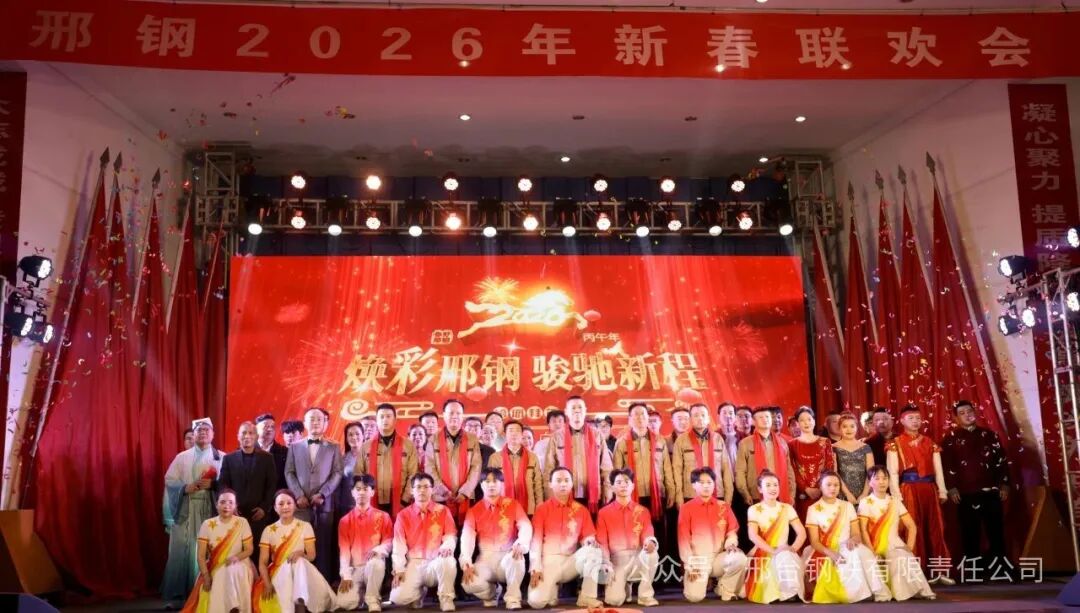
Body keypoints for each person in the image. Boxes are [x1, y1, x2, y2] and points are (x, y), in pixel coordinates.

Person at [941, 399, 1009, 579]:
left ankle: (999, 570)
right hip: (965, 493)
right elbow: (946, 465)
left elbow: (1001, 461)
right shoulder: (949, 439)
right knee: (970, 533)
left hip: (991, 491)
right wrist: (951, 488)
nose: (967, 415)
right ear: (956, 418)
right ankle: (973, 572)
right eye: (962, 413)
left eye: (969, 411)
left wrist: (1004, 484)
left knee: (996, 531)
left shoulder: (990, 435)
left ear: (975, 413)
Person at [886, 405, 952, 583]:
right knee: (912, 528)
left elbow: (938, 469)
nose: (915, 421)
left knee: (935, 528)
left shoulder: (929, 442)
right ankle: (915, 573)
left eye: (917, 418)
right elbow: (892, 472)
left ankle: (939, 571)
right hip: (909, 488)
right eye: (911, 418)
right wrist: (896, 495)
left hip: (929, 489)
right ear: (902, 421)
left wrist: (942, 490)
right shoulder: (895, 443)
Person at [804, 471, 890, 603]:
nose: (833, 488)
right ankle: (858, 594)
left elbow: (856, 534)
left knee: (864, 552)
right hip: (825, 549)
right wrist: (831, 553)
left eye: (836, 485)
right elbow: (814, 542)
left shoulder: (847, 506)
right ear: (820, 486)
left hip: (846, 545)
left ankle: (877, 591)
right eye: (828, 485)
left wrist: (853, 539)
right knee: (849, 557)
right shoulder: (813, 509)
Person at [162, 418, 223, 605]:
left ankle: (206, 595)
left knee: (208, 550)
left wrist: (214, 485)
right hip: (186, 508)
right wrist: (185, 487)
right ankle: (178, 596)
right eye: (199, 430)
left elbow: (229, 484)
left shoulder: (222, 457)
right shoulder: (182, 457)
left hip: (210, 509)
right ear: (193, 435)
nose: (202, 432)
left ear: (213, 434)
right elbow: (170, 480)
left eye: (206, 429)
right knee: (181, 550)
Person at [526, 467, 605, 609]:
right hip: (548, 562)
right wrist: (535, 566)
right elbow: (535, 541)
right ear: (550, 484)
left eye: (566, 480)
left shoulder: (581, 510)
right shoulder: (542, 509)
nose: (563, 484)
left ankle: (587, 597)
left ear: (572, 484)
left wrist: (589, 541)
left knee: (594, 551)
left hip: (570, 562)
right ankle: (551, 589)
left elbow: (588, 537)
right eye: (558, 480)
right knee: (536, 602)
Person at [858, 466, 935, 601]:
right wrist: (871, 550)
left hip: (893, 542)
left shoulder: (895, 501)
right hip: (872, 543)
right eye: (877, 478)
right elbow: (863, 529)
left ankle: (913, 591)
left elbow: (911, 526)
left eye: (885, 478)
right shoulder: (865, 502)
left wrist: (909, 546)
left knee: (902, 555)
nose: (882, 482)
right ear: (870, 482)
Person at [284, 408, 344, 581]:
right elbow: (289, 472)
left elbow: (337, 473)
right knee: (300, 545)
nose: (315, 422)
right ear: (305, 423)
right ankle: (301, 585)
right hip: (301, 505)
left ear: (325, 423)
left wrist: (323, 494)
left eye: (319, 419)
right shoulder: (295, 447)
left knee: (323, 547)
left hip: (324, 505)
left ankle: (323, 587)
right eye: (312, 419)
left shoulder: (333, 446)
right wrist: (298, 495)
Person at [253, 490, 336, 613]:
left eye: (289, 503)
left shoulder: (305, 526)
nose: (285, 507)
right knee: (292, 566)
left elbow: (312, 555)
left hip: (302, 570)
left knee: (299, 562)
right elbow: (262, 563)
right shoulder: (268, 530)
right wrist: (267, 584)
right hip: (278, 572)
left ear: (295, 506)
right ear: (275, 508)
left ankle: (300, 602)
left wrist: (300, 554)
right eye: (281, 504)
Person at [460, 469, 532, 609]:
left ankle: (513, 598)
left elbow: (525, 526)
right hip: (485, 559)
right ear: (481, 484)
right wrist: (466, 561)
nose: (491, 485)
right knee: (468, 583)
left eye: (495, 481)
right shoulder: (474, 511)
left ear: (502, 484)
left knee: (517, 557)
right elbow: (467, 538)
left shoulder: (513, 504)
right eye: (487, 481)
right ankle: (492, 593)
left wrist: (521, 543)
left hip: (507, 556)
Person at [676, 467, 748, 602]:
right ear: (693, 485)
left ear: (714, 484)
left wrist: (731, 544)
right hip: (699, 561)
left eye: (709, 482)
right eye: (701, 482)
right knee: (695, 597)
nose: (706, 486)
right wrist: (690, 565)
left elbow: (732, 531)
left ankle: (724, 588)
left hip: (719, 557)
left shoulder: (724, 506)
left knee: (740, 559)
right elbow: (683, 540)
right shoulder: (686, 508)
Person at [389, 473, 458, 612]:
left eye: (426, 487)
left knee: (448, 561)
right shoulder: (403, 515)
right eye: (418, 487)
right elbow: (398, 545)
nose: (422, 490)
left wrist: (447, 547)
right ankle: (418, 593)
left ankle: (446, 599)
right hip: (413, 563)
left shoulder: (443, 511)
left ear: (432, 489)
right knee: (398, 598)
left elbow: (451, 535)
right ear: (412, 490)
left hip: (436, 561)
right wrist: (399, 569)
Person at [180, 490, 255, 613]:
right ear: (216, 505)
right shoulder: (207, 524)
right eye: (223, 502)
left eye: (230, 502)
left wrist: (236, 558)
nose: (226, 506)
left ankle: (235, 608)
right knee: (221, 574)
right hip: (216, 564)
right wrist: (206, 576)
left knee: (233, 570)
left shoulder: (242, 522)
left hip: (240, 561)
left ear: (235, 505)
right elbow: (200, 556)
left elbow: (249, 549)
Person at [596, 469, 660, 607]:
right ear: (612, 487)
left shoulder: (642, 511)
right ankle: (625, 587)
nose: (623, 485)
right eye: (619, 482)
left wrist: (650, 542)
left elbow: (648, 533)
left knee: (652, 554)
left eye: (627, 482)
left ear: (633, 486)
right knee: (614, 601)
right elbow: (602, 542)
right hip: (616, 562)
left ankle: (645, 596)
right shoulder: (603, 513)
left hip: (638, 559)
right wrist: (606, 563)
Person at [741, 470, 806, 604]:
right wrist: (773, 551)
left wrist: (793, 548)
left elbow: (801, 532)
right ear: (760, 489)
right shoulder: (754, 509)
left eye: (775, 485)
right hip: (764, 551)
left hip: (784, 551)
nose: (773, 488)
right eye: (768, 485)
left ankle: (790, 593)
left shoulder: (787, 508)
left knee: (785, 557)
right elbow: (753, 535)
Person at [219, 421, 278, 564]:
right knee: (235, 552)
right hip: (235, 514)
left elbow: (271, 485)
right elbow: (223, 485)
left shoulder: (267, 458)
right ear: (238, 436)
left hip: (258, 515)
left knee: (257, 554)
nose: (247, 436)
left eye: (251, 433)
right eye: (243, 433)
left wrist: (264, 508)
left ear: (256, 436)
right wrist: (230, 507)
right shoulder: (229, 458)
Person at [544, 396, 613, 514]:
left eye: (580, 407)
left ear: (585, 410)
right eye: (573, 408)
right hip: (565, 493)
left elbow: (606, 467)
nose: (577, 410)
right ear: (566, 412)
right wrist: (550, 495)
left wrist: (608, 489)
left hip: (592, 495)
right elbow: (549, 469)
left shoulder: (597, 435)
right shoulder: (556, 437)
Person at [337, 474, 393, 612]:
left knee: (375, 563)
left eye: (366, 489)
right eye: (358, 489)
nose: (361, 492)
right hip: (355, 568)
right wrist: (346, 574)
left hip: (373, 566)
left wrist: (379, 549)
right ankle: (360, 595)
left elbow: (389, 541)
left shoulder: (383, 516)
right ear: (352, 492)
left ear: (372, 492)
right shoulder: (345, 521)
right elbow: (344, 550)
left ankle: (373, 600)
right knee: (345, 603)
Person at [613, 402, 674, 519]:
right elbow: (617, 472)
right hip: (632, 494)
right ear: (630, 419)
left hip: (657, 493)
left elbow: (667, 469)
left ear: (647, 417)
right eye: (636, 414)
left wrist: (671, 491)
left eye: (643, 414)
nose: (640, 417)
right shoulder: (621, 443)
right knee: (635, 527)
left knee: (657, 527)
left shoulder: (660, 441)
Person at [357, 403, 420, 517]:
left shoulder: (408, 445)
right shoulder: (366, 446)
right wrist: (365, 498)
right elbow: (359, 475)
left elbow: (413, 474)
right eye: (381, 417)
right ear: (377, 420)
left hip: (400, 502)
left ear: (395, 420)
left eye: (388, 416)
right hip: (372, 501)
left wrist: (404, 500)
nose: (385, 420)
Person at [429, 399, 482, 524]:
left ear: (462, 416)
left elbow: (476, 467)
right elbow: (429, 468)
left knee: (466, 530)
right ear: (444, 415)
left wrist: (465, 492)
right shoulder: (433, 439)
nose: (455, 416)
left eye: (458, 413)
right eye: (451, 413)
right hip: (440, 497)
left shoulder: (472, 439)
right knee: (441, 529)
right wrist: (443, 491)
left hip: (466, 497)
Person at [672, 402, 733, 505]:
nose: (700, 418)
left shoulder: (718, 438)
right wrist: (679, 497)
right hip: (691, 494)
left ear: (708, 418)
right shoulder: (681, 440)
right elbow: (677, 471)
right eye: (696, 415)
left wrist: (728, 495)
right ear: (691, 419)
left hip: (717, 492)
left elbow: (726, 468)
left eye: (703, 415)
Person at [734, 407, 796, 507]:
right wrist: (745, 494)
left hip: (781, 494)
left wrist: (792, 494)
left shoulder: (782, 443)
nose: (765, 419)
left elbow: (789, 470)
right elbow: (740, 471)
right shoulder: (745, 443)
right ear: (753, 421)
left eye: (767, 416)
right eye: (761, 417)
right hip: (756, 496)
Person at [486, 420, 544, 515]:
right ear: (505, 434)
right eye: (511, 430)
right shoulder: (495, 458)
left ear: (521, 435)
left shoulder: (532, 457)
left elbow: (538, 483)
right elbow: (489, 484)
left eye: (517, 431)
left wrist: (539, 504)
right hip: (501, 507)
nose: (514, 434)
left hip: (529, 508)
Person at [790, 407, 836, 520]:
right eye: (802, 420)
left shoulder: (825, 442)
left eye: (809, 419)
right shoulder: (792, 444)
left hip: (824, 491)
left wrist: (821, 487)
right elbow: (792, 469)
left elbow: (829, 465)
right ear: (797, 424)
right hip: (803, 495)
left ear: (814, 421)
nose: (806, 423)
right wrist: (805, 489)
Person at [833, 413, 873, 504]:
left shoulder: (866, 447)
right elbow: (834, 473)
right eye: (844, 426)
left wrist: (864, 494)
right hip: (842, 494)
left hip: (864, 494)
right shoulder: (833, 448)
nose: (849, 429)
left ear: (857, 427)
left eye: (852, 426)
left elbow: (871, 473)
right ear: (839, 429)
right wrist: (847, 494)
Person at [336, 422, 365, 516]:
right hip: (346, 505)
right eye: (350, 435)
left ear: (363, 435)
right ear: (346, 438)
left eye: (357, 434)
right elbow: (338, 485)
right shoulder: (342, 459)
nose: (354, 437)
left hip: (367, 505)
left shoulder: (372, 456)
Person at [464, 416, 495, 502]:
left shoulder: (490, 451)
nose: (473, 428)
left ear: (481, 431)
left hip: (481, 496)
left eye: (476, 426)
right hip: (459, 496)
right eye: (469, 425)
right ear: (463, 429)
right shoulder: (454, 449)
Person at [256, 413, 290, 490]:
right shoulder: (246, 451)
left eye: (272, 427)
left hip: (277, 495)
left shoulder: (285, 452)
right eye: (266, 426)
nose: (270, 429)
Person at [532, 410, 565, 475]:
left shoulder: (572, 444)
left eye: (560, 421)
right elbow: (536, 466)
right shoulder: (540, 445)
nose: (557, 424)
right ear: (548, 425)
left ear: (564, 424)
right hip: (547, 478)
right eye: (554, 421)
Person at [717, 403, 741, 476]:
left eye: (731, 413)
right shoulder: (714, 437)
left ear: (735, 417)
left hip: (740, 477)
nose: (728, 416)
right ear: (718, 417)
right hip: (722, 477)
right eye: (724, 413)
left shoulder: (743, 436)